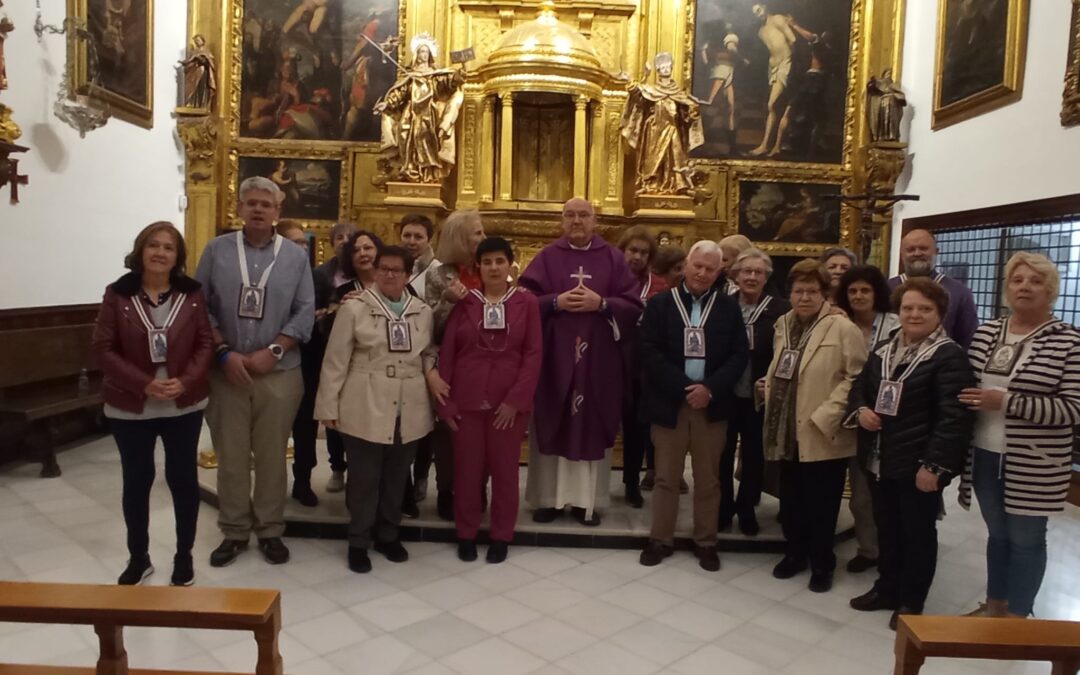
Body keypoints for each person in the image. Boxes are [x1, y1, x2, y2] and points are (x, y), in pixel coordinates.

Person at [195, 176, 315, 568]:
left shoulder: (296, 256)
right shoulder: (217, 250)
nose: (260, 209)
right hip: (226, 370)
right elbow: (201, 307)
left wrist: (275, 349)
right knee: (230, 455)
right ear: (241, 208)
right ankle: (233, 531)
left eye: (267, 204)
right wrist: (224, 352)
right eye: (253, 203)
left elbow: (305, 310)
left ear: (278, 211)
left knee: (270, 455)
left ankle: (269, 529)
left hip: (279, 372)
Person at [846, 277, 975, 630]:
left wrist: (934, 466)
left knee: (917, 534)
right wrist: (861, 411)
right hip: (880, 457)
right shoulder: (886, 348)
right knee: (887, 528)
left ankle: (911, 600)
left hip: (919, 464)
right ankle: (886, 587)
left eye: (924, 309)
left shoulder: (949, 356)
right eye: (908, 308)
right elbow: (860, 387)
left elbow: (955, 419)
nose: (915, 314)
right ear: (897, 311)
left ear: (940, 314)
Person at [958, 253, 1080, 619]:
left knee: (1026, 541)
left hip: (1035, 462)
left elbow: (1073, 408)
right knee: (997, 535)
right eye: (1017, 280)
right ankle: (995, 606)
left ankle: (1018, 615)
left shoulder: (1069, 341)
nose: (1024, 286)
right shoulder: (986, 333)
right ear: (1007, 287)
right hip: (984, 453)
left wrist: (1006, 401)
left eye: (1035, 281)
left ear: (1051, 291)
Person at [92, 222, 213, 586]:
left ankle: (183, 556)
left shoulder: (191, 294)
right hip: (132, 406)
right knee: (137, 480)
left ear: (178, 256)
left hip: (182, 404)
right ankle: (138, 557)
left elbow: (205, 343)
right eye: (153, 245)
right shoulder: (118, 294)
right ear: (141, 250)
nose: (160, 253)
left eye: (168, 247)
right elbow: (103, 348)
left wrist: (185, 381)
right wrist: (144, 383)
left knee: (182, 479)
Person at [519, 198, 643, 526]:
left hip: (597, 364)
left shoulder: (613, 259)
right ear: (561, 220)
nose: (577, 221)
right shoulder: (547, 257)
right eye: (570, 215)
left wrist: (602, 303)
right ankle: (549, 500)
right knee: (554, 419)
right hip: (555, 362)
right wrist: (555, 302)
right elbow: (523, 299)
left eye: (584, 215)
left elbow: (633, 304)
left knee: (588, 421)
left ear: (594, 220)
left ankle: (586, 502)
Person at [315, 246, 439, 573]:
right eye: (383, 268)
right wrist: (328, 405)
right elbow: (335, 361)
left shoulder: (422, 311)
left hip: (409, 402)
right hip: (364, 398)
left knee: (397, 476)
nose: (388, 274)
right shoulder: (355, 309)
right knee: (364, 478)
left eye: (396, 270)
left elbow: (427, 354)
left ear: (408, 274)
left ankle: (388, 534)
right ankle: (358, 540)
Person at [638, 241, 748, 570]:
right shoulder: (660, 305)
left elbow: (738, 355)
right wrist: (686, 387)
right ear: (686, 265)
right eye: (697, 266)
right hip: (670, 403)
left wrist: (709, 389)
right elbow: (648, 351)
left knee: (709, 478)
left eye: (710, 268)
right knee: (666, 478)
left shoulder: (729, 308)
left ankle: (706, 541)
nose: (702, 273)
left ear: (719, 272)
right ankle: (660, 539)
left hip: (711, 406)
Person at [434, 237, 542, 563]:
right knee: (467, 473)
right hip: (466, 401)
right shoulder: (466, 303)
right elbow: (448, 353)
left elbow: (533, 354)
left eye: (500, 261)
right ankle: (466, 533)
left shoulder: (527, 303)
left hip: (507, 406)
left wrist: (516, 401)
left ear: (511, 264)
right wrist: (446, 405)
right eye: (487, 262)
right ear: (477, 267)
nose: (494, 267)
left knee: (505, 473)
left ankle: (501, 534)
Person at [762, 259, 867, 592]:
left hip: (821, 428)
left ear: (825, 294)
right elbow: (784, 366)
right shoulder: (783, 323)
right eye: (798, 291)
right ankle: (795, 553)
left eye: (811, 291)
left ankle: (822, 563)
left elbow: (857, 376)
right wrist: (767, 385)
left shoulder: (842, 328)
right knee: (791, 500)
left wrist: (827, 414)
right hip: (786, 427)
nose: (804, 297)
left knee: (822, 502)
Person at [418, 209, 488, 520]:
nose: (483, 238)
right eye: (478, 233)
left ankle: (477, 487)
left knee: (481, 429)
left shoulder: (491, 269)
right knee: (448, 432)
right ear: (460, 238)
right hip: (448, 363)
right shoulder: (438, 275)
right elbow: (428, 327)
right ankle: (446, 488)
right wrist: (448, 300)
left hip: (485, 363)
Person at [835, 264, 900, 573]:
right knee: (859, 494)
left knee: (886, 494)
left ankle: (892, 550)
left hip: (890, 418)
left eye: (865, 290)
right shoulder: (837, 323)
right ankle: (868, 549)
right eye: (852, 290)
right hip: (848, 414)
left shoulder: (898, 325)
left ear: (877, 293)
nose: (858, 295)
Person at [720, 248, 789, 536]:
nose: (751, 277)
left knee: (754, 456)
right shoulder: (722, 305)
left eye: (758, 272)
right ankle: (723, 508)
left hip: (760, 395)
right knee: (721, 455)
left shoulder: (781, 309)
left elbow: (786, 351)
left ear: (766, 277)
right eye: (746, 271)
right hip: (725, 392)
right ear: (735, 275)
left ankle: (746, 508)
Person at [320, 230, 384, 495]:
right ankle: (339, 469)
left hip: (384, 370)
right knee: (343, 424)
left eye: (368, 248)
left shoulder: (394, 284)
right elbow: (325, 329)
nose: (363, 254)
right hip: (350, 369)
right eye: (356, 251)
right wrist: (338, 311)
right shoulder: (343, 290)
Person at [616, 225, 669, 507]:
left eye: (643, 252)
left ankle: (631, 484)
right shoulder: (610, 281)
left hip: (642, 366)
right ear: (621, 250)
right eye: (632, 250)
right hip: (610, 360)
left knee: (637, 428)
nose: (636, 256)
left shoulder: (659, 286)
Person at [275, 220, 322, 507]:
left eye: (304, 243)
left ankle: (302, 481)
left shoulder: (315, 277)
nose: (302, 248)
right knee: (274, 431)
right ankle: (272, 486)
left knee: (305, 427)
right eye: (295, 243)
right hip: (276, 360)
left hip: (308, 363)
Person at [375, 34, 466, 183]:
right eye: (421, 51)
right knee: (404, 135)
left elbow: (449, 82)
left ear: (429, 54)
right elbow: (400, 93)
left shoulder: (434, 75)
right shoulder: (409, 75)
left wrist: (461, 72)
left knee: (425, 139)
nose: (423, 55)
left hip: (427, 113)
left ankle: (426, 174)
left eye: (426, 51)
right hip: (410, 113)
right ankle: (408, 169)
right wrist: (387, 104)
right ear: (416, 54)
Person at [620, 52, 703, 195]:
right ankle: (651, 184)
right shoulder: (651, 91)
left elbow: (685, 117)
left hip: (672, 128)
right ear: (658, 71)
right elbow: (639, 101)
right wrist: (634, 86)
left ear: (671, 68)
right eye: (662, 67)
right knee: (653, 158)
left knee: (674, 157)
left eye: (668, 66)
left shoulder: (679, 94)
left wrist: (692, 114)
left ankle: (677, 185)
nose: (665, 69)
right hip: (654, 129)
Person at [749, 3, 819, 157]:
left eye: (759, 10)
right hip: (773, 68)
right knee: (775, 108)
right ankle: (769, 145)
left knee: (773, 104)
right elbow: (771, 49)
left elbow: (792, 40)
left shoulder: (778, 19)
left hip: (786, 64)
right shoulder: (761, 31)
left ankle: (772, 145)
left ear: (765, 7)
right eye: (755, 12)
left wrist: (793, 67)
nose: (758, 14)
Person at [888, 229, 979, 348]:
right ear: (901, 254)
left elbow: (968, 340)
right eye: (910, 249)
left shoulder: (959, 292)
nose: (917, 253)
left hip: (943, 363)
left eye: (923, 248)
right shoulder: (886, 288)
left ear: (936, 252)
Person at [398, 213, 439, 301]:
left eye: (418, 237)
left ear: (429, 241)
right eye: (407, 236)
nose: (412, 242)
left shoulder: (438, 271)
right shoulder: (387, 268)